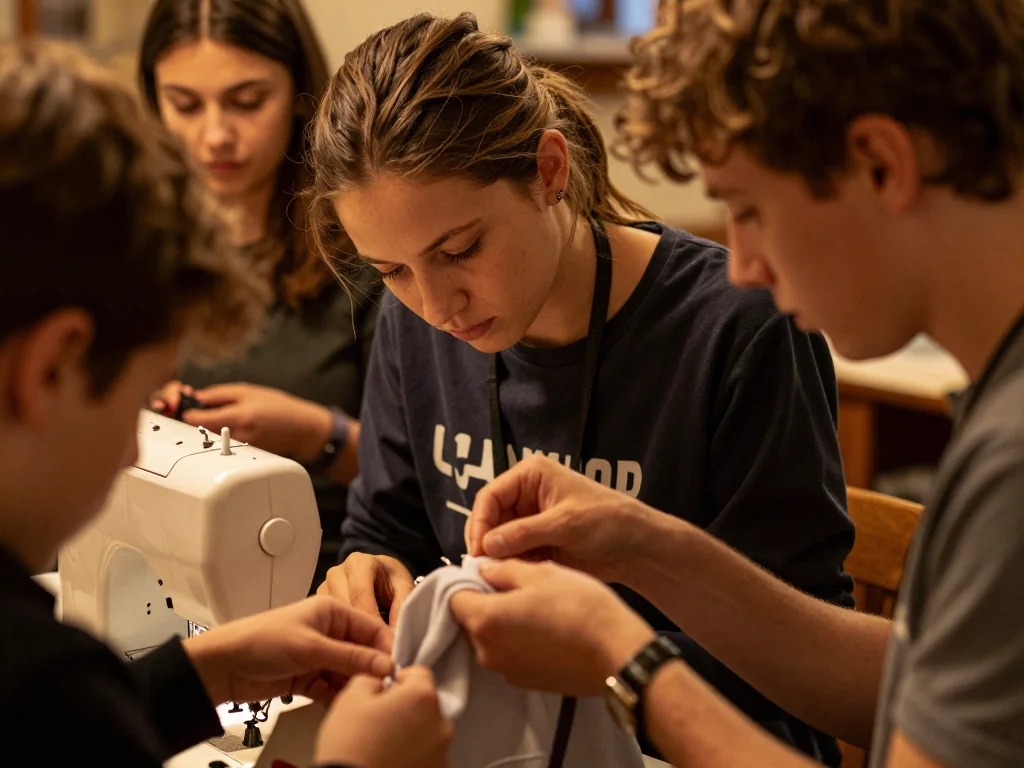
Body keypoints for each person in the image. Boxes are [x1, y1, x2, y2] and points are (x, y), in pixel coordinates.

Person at [449, 1, 1024, 767]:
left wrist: (628, 661)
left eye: (748, 209)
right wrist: (647, 547)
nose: (745, 265)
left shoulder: (1011, 466)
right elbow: (922, 687)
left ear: (881, 164)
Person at [311, 12, 855, 762]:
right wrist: (372, 577)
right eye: (393, 271)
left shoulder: (736, 330)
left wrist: (604, 664)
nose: (436, 305)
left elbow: (803, 666)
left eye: (461, 249)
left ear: (549, 171)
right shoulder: (415, 324)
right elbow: (386, 530)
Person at [0, 40, 450, 768]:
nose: (135, 449)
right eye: (133, 407)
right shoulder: (43, 681)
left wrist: (196, 676)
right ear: (51, 367)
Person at [140, 0, 381, 590]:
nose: (216, 136)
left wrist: (316, 434)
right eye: (185, 105)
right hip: (158, 575)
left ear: (300, 95)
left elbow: (429, 475)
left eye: (247, 102)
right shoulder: (135, 241)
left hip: (321, 580)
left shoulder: (368, 248)